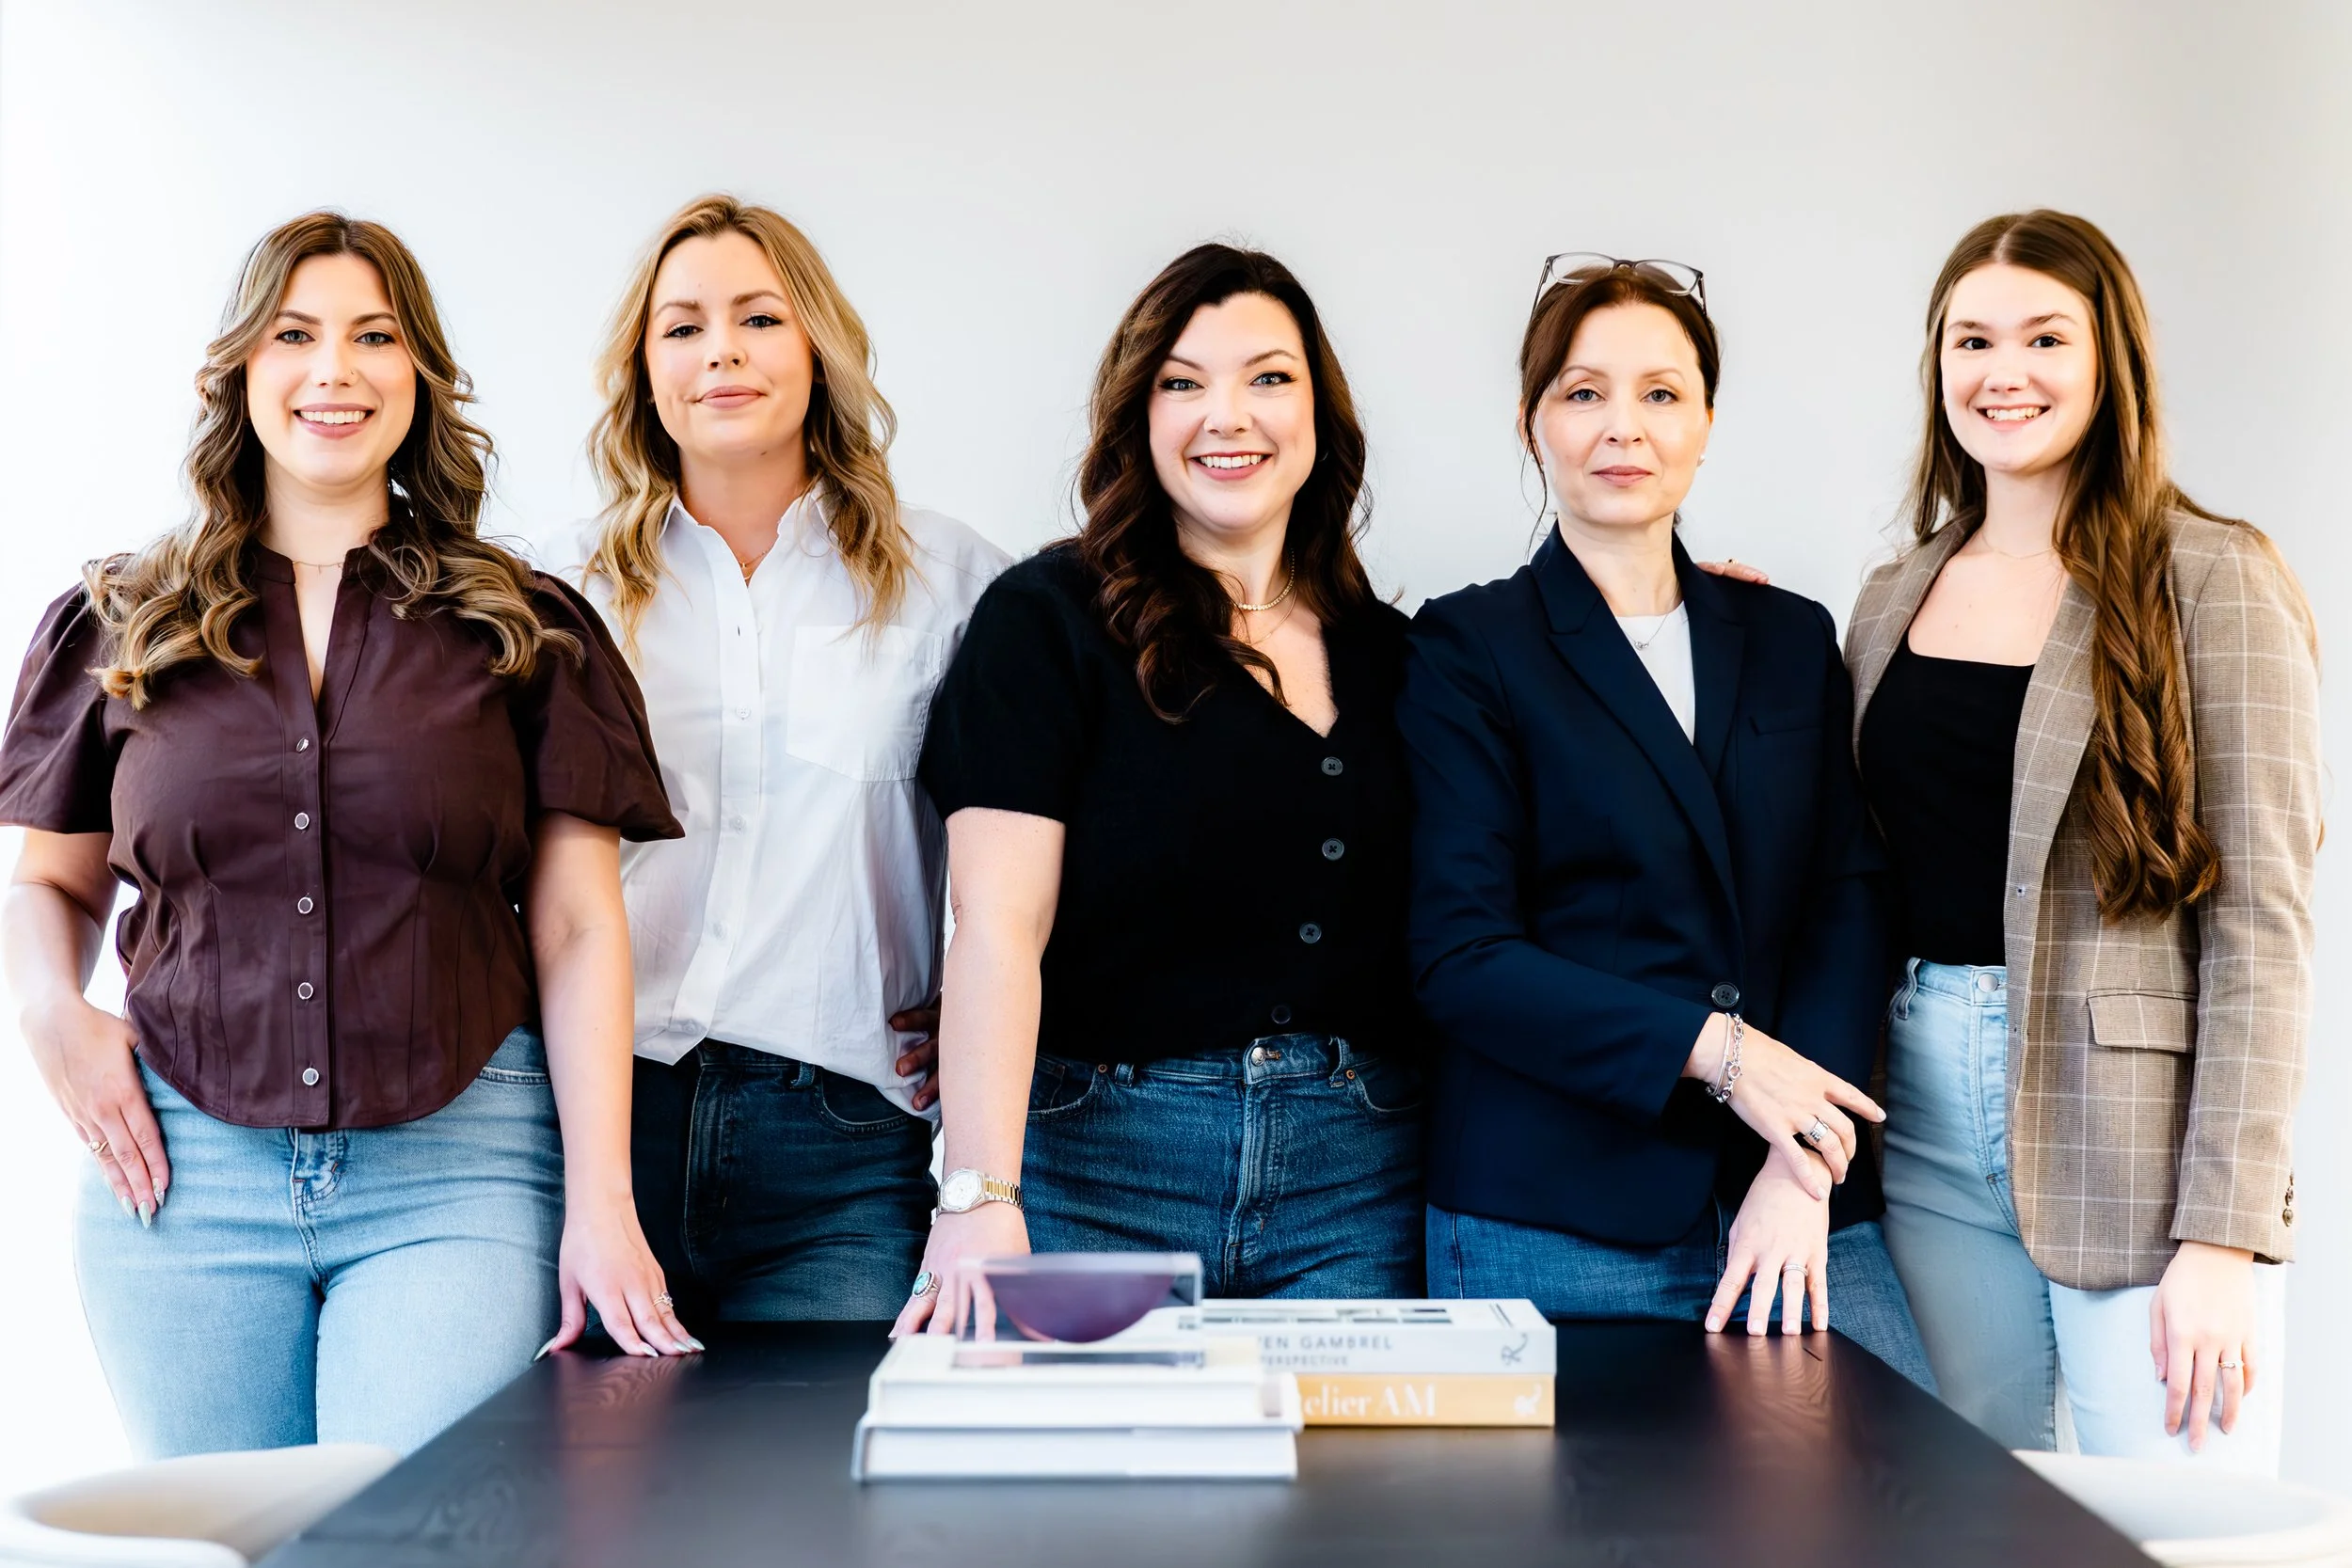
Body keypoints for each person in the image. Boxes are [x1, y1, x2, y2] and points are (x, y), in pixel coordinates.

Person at [0, 213, 695, 1460]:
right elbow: (48, 882)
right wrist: (50, 1010)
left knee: (411, 1538)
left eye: (376, 336)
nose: (336, 370)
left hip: (460, 1166)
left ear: (420, 376)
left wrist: (604, 1198)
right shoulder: (119, 620)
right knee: (235, 1541)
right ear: (240, 373)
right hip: (182, 1177)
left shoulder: (523, 626)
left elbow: (584, 924)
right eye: (295, 334)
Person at [1398, 254, 1931, 1386]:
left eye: (1659, 393)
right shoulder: (1464, 648)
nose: (1620, 428)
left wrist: (1804, 1156)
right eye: (1582, 392)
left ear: (1704, 421)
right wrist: (1723, 1057)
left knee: (1896, 1513)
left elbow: (1846, 896)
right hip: (1551, 1205)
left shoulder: (1787, 635)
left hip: (1794, 1197)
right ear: (1532, 421)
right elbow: (1461, 954)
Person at [1849, 210, 2317, 1467]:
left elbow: (2264, 925)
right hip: (1923, 1118)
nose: (2006, 372)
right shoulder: (1895, 593)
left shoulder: (2212, 575)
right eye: (1974, 339)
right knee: (1955, 1512)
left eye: (2047, 337)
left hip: (2138, 1141)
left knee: (2168, 1523)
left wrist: (2224, 1233)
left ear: (2112, 359)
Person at [895, 244, 1423, 1334]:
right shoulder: (1046, 622)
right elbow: (994, 926)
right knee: (1104, 1504)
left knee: (1347, 1503)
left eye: (1267, 377)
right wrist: (979, 1196)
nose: (1226, 415)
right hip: (1100, 1163)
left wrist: (1666, 591)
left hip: (1357, 1173)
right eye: (1183, 382)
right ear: (1140, 416)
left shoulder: (1401, 656)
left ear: (1319, 409)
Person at [575, 194, 1008, 1323]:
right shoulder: (565, 593)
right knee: (596, 1489)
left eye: (758, 317)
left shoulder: (953, 583)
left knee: (815, 1488)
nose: (721, 348)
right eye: (682, 325)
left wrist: (987, 1005)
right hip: (605, 1125)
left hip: (843, 1146)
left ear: (816, 344)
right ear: (644, 369)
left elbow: (1064, 827)